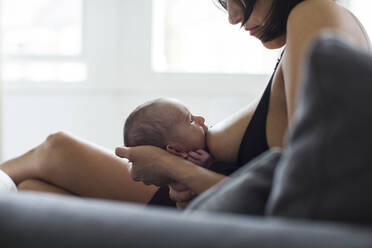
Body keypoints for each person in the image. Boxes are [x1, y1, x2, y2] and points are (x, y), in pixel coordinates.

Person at [0, 0, 370, 209]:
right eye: (224, 4)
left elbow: (297, 193)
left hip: (200, 209)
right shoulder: (311, 30)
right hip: (197, 201)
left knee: (56, 148)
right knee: (32, 192)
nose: (234, 18)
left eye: (238, 0)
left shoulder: (316, 13)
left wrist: (168, 165)